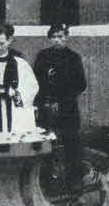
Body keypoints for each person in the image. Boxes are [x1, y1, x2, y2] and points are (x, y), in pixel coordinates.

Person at [33, 23, 87, 193]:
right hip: (45, 106)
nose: (58, 40)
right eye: (54, 37)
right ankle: (46, 180)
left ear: (67, 37)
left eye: (61, 36)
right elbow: (36, 82)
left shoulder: (73, 58)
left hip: (67, 108)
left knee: (71, 142)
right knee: (45, 142)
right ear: (49, 38)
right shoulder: (42, 57)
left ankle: (74, 180)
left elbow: (81, 84)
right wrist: (43, 102)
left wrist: (62, 101)